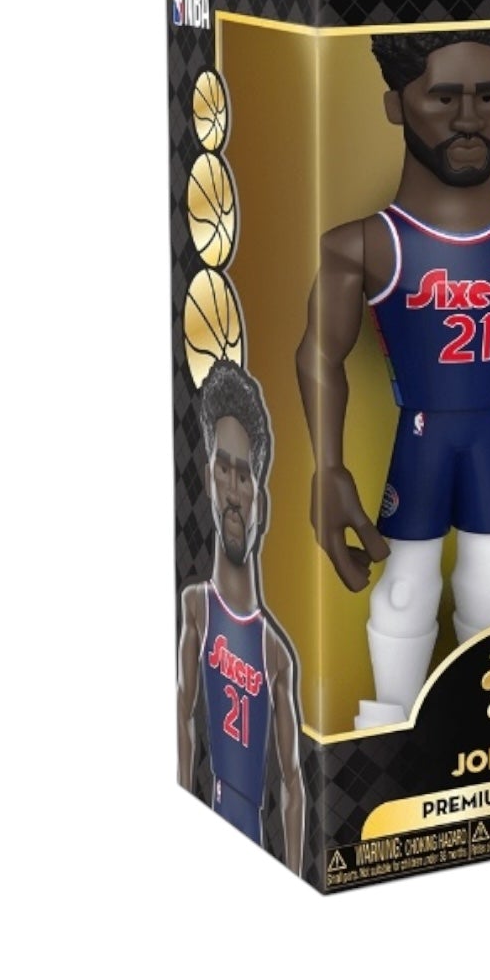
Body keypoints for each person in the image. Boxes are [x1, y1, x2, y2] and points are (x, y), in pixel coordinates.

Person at [296, 29, 490, 730]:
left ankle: (488, 730)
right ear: (397, 104)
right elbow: (320, 354)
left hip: (489, 434)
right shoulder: (365, 245)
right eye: (443, 97)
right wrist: (326, 466)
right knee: (406, 587)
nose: (468, 119)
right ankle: (391, 731)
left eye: (488, 96)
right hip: (422, 434)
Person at [177, 358, 304, 873]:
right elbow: (181, 718)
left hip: (256, 837)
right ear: (208, 480)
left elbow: (292, 782)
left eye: (245, 474)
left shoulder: (276, 653)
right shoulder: (196, 608)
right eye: (223, 469)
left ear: (261, 502)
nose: (233, 489)